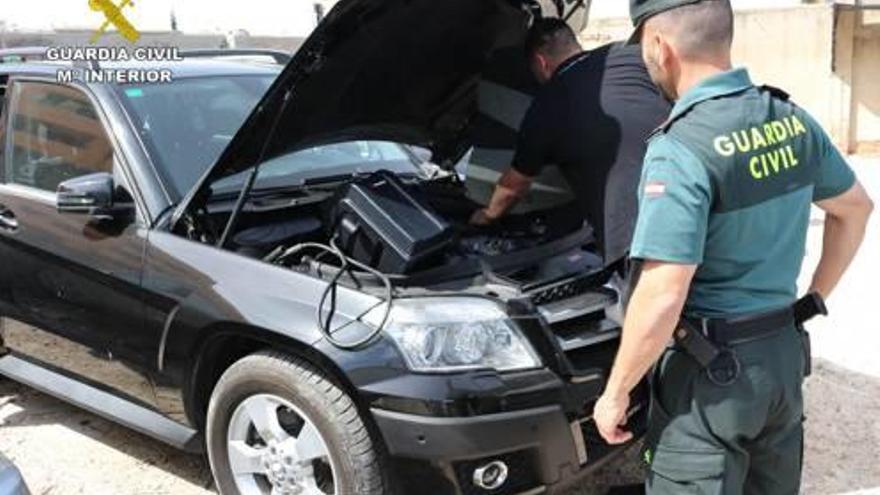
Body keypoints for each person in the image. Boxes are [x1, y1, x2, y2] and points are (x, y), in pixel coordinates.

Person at [592, 0, 874, 493]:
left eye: (643, 50)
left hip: (709, 378)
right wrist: (813, 298)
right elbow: (855, 209)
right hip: (781, 361)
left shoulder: (679, 148)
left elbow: (662, 292)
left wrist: (615, 394)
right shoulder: (791, 119)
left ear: (661, 47)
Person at [470, 18, 671, 268]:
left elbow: (514, 185)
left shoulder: (547, 105)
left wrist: (487, 216)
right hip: (690, 189)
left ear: (541, 63)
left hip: (636, 229)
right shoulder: (628, 55)